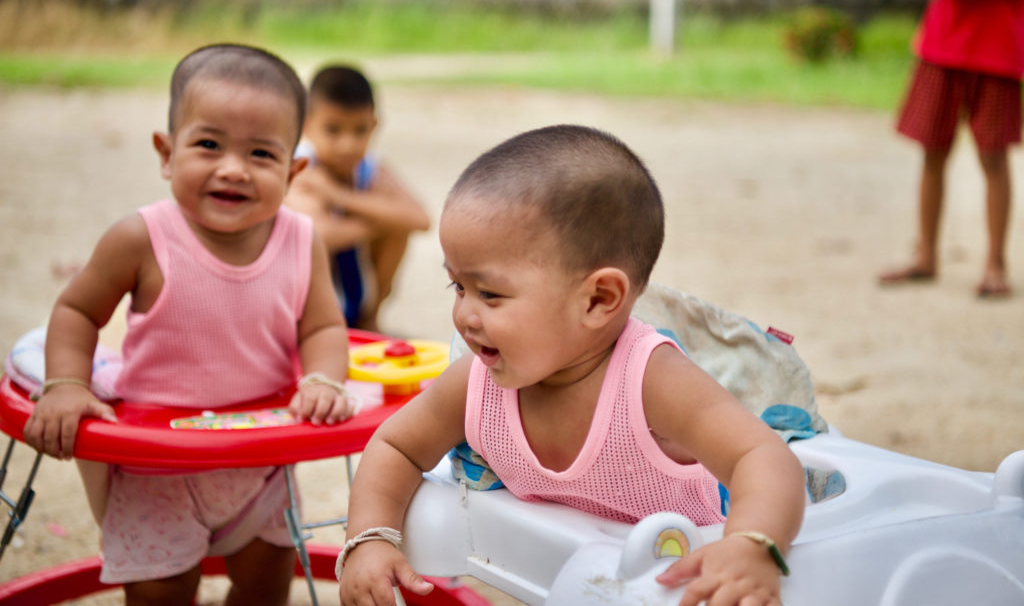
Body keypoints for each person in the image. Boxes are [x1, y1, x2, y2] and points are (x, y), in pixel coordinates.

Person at [337, 125, 806, 606]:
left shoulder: (651, 382)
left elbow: (763, 457)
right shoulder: (476, 383)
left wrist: (753, 544)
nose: (463, 316)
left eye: (489, 294)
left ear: (599, 299)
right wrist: (371, 537)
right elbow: (396, 445)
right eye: (457, 287)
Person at [23, 43, 355, 606]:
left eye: (260, 154)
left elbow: (322, 327)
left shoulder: (300, 241)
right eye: (208, 144)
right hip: (158, 465)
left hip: (258, 461)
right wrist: (66, 384)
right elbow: (77, 311)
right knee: (160, 595)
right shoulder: (142, 238)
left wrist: (323, 379)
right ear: (166, 151)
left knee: (267, 586)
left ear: (294, 170)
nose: (233, 168)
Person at [880, 0, 1024, 297]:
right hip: (942, 50)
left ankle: (995, 265)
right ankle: (926, 256)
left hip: (1000, 54)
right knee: (933, 152)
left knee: (995, 158)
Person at [285, 65, 430, 331]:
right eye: (333, 130)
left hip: (354, 300)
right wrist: (383, 219)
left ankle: (368, 321)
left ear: (374, 125)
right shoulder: (302, 167)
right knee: (388, 222)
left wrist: (339, 196)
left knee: (398, 230)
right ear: (305, 125)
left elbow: (421, 219)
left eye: (360, 130)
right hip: (304, 314)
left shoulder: (368, 167)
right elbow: (320, 236)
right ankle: (315, 330)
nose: (348, 144)